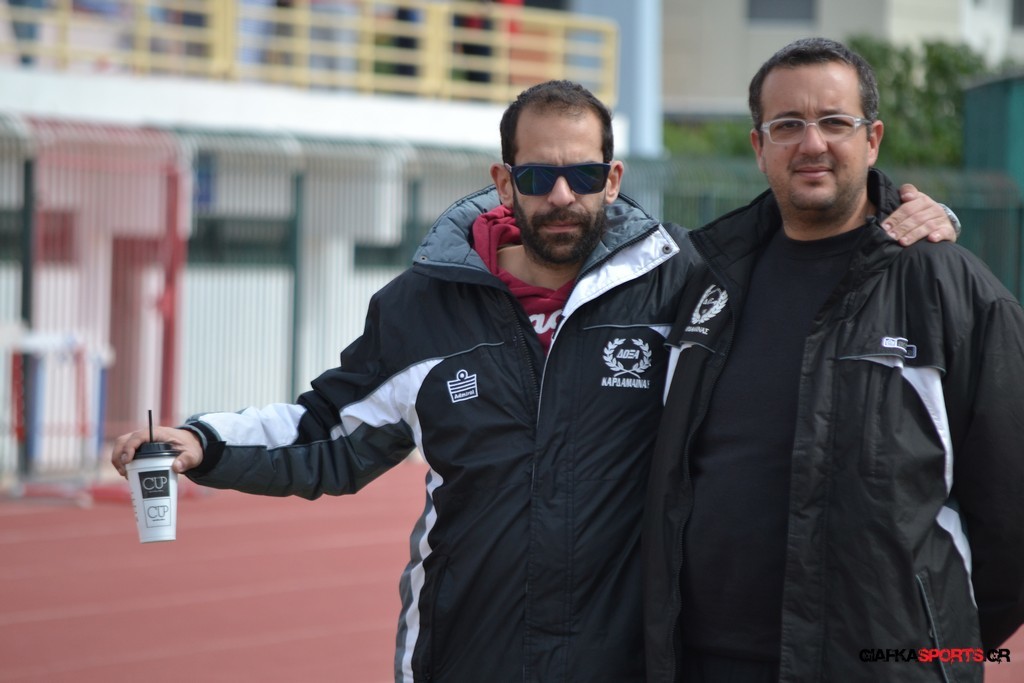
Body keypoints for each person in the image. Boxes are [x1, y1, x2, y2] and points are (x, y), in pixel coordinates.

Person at [110, 80, 955, 682]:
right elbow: (326, 431)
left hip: (625, 656)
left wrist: (913, 212)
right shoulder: (421, 307)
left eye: (583, 175)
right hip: (465, 649)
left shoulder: (681, 287)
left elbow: (809, 232)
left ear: (612, 180)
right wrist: (202, 440)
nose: (561, 195)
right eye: (538, 175)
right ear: (502, 180)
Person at [642, 38, 1024, 683]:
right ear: (759, 146)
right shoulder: (705, 281)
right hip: (703, 662)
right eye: (787, 125)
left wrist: (930, 644)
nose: (811, 143)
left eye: (835, 122)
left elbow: (1011, 520)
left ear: (872, 139)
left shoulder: (950, 290)